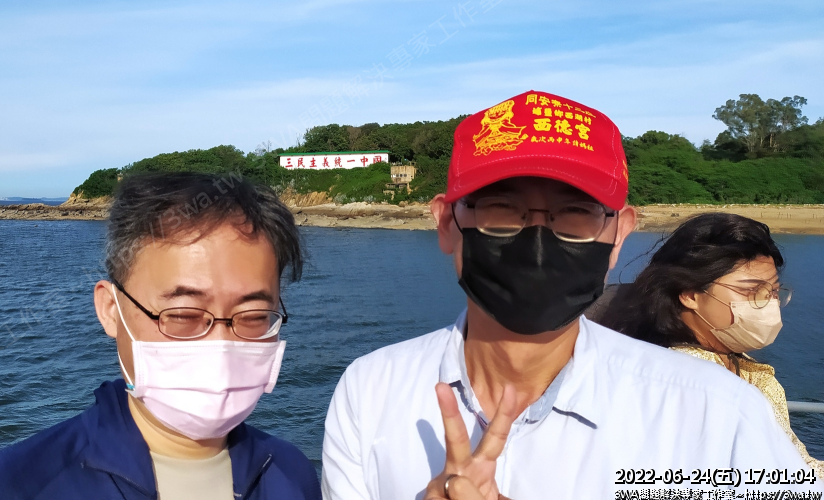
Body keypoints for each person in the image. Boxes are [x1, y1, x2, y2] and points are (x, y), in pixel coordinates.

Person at [320, 91, 822, 500]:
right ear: (447, 224)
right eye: (500, 208)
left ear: (619, 234)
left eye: (576, 212)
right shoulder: (370, 393)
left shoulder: (715, 414)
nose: (537, 243)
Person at [0, 172, 321, 500]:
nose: (220, 345)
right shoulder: (1, 488)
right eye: (183, 314)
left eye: (253, 316)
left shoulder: (292, 473)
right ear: (111, 309)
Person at [597, 212, 824, 478]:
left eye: (773, 292)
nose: (769, 305)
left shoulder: (741, 367)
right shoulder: (686, 386)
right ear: (690, 294)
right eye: (751, 291)